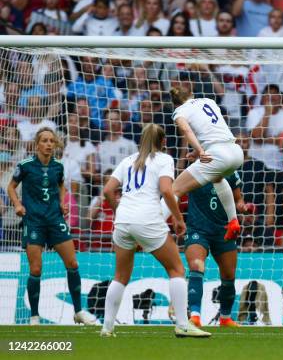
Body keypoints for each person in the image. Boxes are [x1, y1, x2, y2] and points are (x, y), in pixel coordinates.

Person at [100, 123, 209, 338]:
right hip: (148, 219)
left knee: (120, 276)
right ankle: (182, 324)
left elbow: (107, 191)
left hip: (123, 221)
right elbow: (167, 190)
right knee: (177, 269)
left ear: (141, 141)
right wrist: (178, 219)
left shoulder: (127, 160)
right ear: (163, 142)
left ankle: (107, 327)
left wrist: (119, 211)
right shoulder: (164, 159)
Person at [7, 127, 97, 325]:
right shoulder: (25, 165)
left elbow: (61, 185)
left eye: (51, 141)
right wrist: (18, 204)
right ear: (37, 144)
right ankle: (34, 316)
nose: (48, 144)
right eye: (45, 141)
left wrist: (62, 203)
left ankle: (78, 312)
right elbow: (11, 187)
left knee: (73, 264)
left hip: (55, 220)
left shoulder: (58, 166)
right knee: (36, 269)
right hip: (35, 222)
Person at [161, 88, 244, 241]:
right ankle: (233, 221)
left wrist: (199, 150)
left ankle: (152, 229)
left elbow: (186, 130)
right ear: (191, 95)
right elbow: (212, 129)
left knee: (174, 190)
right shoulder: (209, 101)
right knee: (217, 178)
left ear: (175, 104)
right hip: (236, 152)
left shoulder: (179, 111)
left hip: (217, 154)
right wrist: (200, 150)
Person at [185, 169, 246, 328]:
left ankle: (225, 318)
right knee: (196, 266)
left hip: (223, 230)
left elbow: (238, 198)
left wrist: (241, 205)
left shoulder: (230, 171)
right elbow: (177, 189)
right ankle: (195, 316)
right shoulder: (194, 170)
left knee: (228, 274)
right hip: (198, 229)